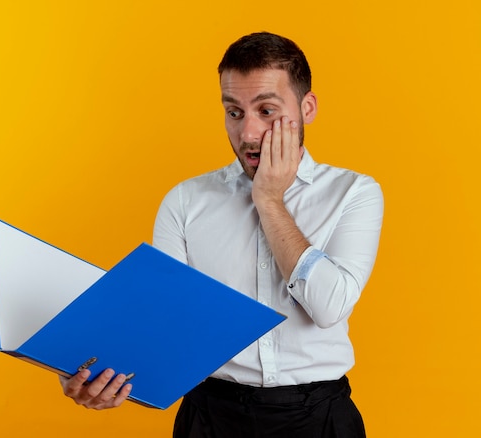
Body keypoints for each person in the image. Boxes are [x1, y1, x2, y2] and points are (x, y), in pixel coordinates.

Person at [60, 31, 383, 438]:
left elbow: (328, 306)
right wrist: (91, 370)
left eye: (266, 111)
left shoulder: (353, 193)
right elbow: (160, 321)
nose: (248, 133)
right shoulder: (185, 201)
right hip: (209, 418)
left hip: (319, 418)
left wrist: (268, 199)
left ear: (307, 107)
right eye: (234, 112)